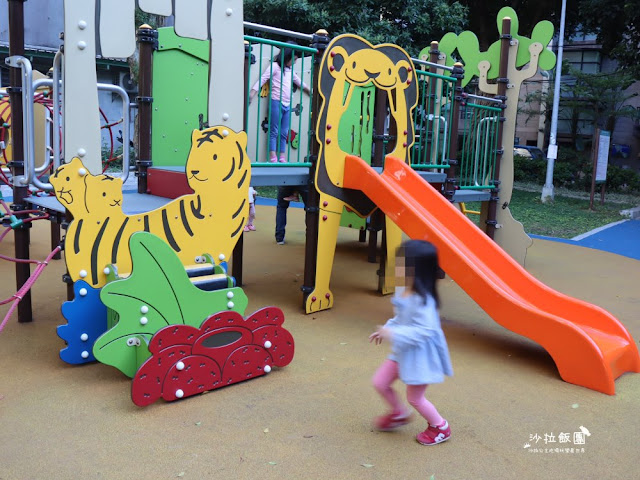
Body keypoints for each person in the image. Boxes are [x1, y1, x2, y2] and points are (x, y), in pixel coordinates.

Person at [369, 240, 453, 445]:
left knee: (415, 398)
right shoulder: (403, 290)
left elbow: (425, 331)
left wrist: (394, 334)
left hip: (420, 356)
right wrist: (387, 328)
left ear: (418, 271)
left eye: (403, 266)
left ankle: (440, 427)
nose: (398, 269)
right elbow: (400, 318)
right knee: (380, 382)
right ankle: (398, 413)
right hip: (402, 352)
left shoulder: (425, 301)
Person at [249, 44, 310, 164]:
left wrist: (309, 90)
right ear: (287, 57)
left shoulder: (290, 70)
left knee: (284, 132)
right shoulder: (275, 67)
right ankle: (273, 157)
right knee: (274, 130)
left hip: (287, 104)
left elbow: (298, 82)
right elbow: (263, 78)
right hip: (276, 102)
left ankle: (282, 156)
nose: (295, 62)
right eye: (295, 59)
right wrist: (252, 92)